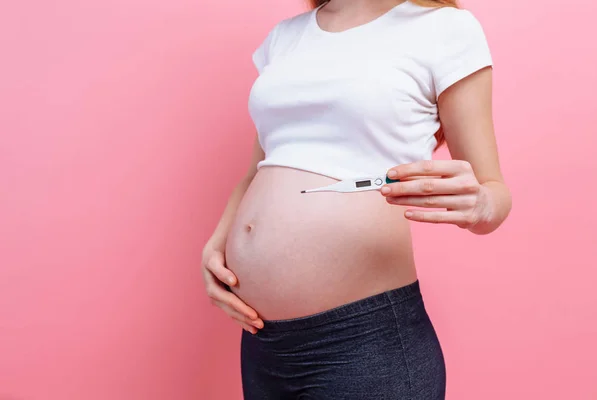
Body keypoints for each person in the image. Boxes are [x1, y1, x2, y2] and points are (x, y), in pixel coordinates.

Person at [201, 0, 512, 398]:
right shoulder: (286, 37)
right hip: (263, 342)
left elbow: (493, 190)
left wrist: (482, 204)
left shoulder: (445, 29)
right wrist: (218, 243)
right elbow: (259, 169)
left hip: (365, 342)